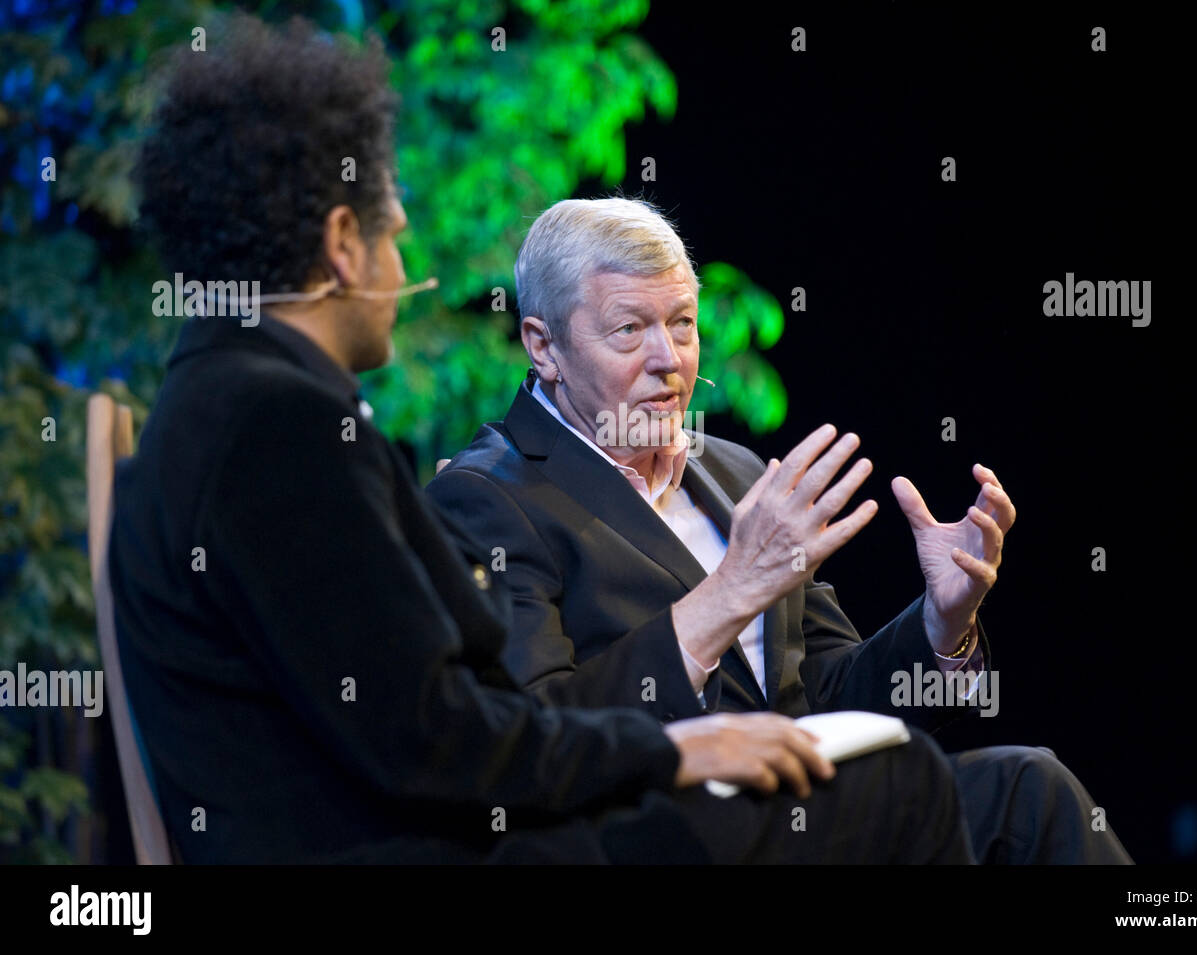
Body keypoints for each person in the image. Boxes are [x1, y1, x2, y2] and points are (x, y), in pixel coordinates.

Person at [109, 12, 974, 864]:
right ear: (343, 246)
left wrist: (943, 623)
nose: (407, 272)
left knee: (1007, 783)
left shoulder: (218, 401)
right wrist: (675, 751)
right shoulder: (280, 427)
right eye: (395, 237)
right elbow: (439, 738)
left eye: (682, 322)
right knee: (900, 784)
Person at [429, 197, 1134, 864]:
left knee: (1028, 789)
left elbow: (830, 695)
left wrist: (941, 625)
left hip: (805, 819)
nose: (668, 360)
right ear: (542, 346)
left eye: (681, 323)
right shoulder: (486, 496)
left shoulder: (734, 474)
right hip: (662, 837)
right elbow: (531, 737)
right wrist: (731, 590)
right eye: (628, 329)